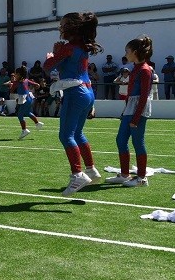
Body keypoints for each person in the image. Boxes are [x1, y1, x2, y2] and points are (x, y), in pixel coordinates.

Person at [43, 11, 102, 196]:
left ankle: (77, 174)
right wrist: (59, 54)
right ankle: (91, 170)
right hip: (87, 91)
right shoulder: (82, 47)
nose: (60, 27)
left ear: (71, 27)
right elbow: (66, 68)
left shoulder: (69, 47)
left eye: (63, 24)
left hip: (75, 92)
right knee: (78, 133)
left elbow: (47, 67)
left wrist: (53, 54)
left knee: (66, 135)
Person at [107, 36, 155, 187]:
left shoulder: (146, 70)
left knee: (137, 142)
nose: (125, 54)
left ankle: (141, 178)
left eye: (127, 51)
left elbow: (143, 96)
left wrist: (136, 117)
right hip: (130, 109)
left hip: (138, 110)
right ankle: (124, 174)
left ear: (135, 52)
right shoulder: (135, 69)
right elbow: (130, 94)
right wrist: (126, 111)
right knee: (120, 140)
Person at [9, 67, 43, 139]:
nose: (14, 75)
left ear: (19, 74)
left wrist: (11, 85)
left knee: (20, 115)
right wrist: (37, 84)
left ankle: (24, 130)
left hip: (24, 99)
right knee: (27, 112)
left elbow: (11, 91)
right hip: (30, 98)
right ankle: (37, 123)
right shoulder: (26, 80)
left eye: (16, 74)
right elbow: (35, 84)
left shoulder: (16, 82)